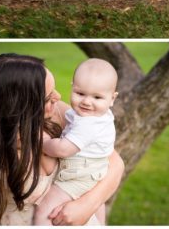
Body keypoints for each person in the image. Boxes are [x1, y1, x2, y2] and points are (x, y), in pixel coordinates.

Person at [0, 53, 124, 227]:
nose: (58, 96)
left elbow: (113, 162)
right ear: (19, 107)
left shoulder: (60, 114)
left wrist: (87, 205)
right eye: (47, 97)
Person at [34, 59, 118, 226]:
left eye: (97, 97)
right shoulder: (97, 115)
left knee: (45, 210)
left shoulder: (89, 123)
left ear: (112, 98)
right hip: (94, 173)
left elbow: (63, 149)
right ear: (72, 87)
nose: (87, 101)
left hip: (78, 175)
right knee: (96, 215)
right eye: (80, 94)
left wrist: (43, 142)